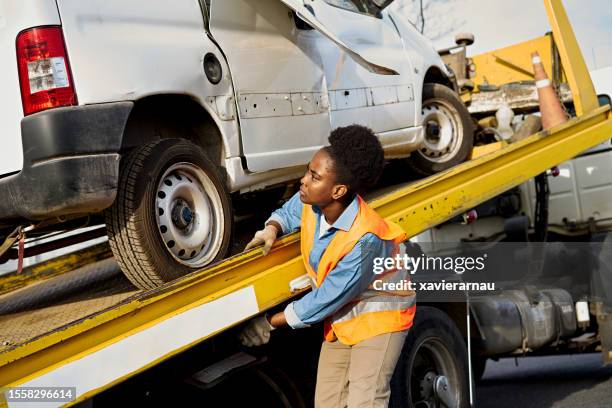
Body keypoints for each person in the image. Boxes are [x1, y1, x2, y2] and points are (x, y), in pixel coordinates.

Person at [240, 125, 416, 408]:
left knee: (365, 401)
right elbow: (289, 212)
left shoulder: (366, 239)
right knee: (328, 403)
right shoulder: (313, 203)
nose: (303, 181)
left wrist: (268, 323)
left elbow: (327, 297)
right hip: (343, 320)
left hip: (380, 321)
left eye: (314, 176)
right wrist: (271, 228)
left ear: (338, 190)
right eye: (308, 171)